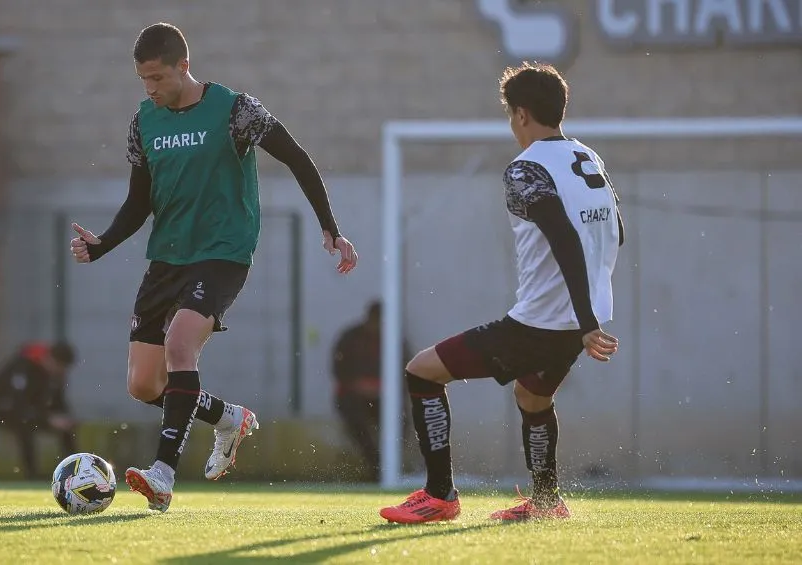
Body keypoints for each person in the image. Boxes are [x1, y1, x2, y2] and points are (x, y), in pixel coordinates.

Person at [70, 22, 357, 513]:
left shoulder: (236, 110)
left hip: (223, 253)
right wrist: (104, 245)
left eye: (158, 78)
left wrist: (330, 226)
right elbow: (139, 202)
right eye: (143, 80)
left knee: (180, 344)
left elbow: (297, 157)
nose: (150, 88)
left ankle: (162, 473)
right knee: (143, 384)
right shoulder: (144, 122)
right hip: (167, 258)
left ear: (184, 65)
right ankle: (227, 418)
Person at [379, 62, 624, 524]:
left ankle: (438, 496)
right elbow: (615, 231)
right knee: (533, 399)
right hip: (574, 323)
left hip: (543, 322)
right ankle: (547, 503)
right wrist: (590, 315)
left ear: (522, 114)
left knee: (422, 372)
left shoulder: (525, 168)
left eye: (511, 114)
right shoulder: (588, 158)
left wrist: (586, 320)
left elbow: (564, 237)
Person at [331, 300, 412, 480]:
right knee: (357, 423)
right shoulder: (351, 338)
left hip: (385, 398)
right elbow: (339, 369)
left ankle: (391, 466)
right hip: (354, 398)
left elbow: (406, 372)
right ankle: (376, 466)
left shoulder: (395, 340)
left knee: (402, 420)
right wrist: (358, 385)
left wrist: (383, 388)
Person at [0, 341, 79, 480]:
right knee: (24, 423)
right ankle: (31, 473)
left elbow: (58, 402)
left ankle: (75, 471)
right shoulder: (24, 365)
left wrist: (65, 418)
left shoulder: (55, 374)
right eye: (59, 366)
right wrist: (48, 419)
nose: (61, 371)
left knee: (66, 428)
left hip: (33, 411)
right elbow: (18, 404)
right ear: (51, 359)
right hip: (4, 409)